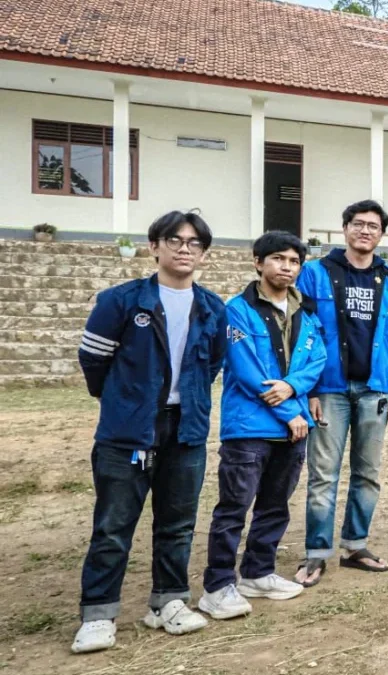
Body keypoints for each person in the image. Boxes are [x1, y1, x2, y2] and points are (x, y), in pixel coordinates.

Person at [72, 211, 227, 654]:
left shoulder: (212, 307)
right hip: (130, 431)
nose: (184, 249)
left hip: (186, 428)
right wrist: (126, 400)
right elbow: (94, 360)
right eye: (174, 240)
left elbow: (212, 364)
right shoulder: (120, 301)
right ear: (154, 246)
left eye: (194, 243)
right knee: (114, 524)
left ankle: (169, 601)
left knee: (178, 523)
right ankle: (99, 613)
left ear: (203, 253)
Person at [199, 232, 326, 619]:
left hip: (293, 429)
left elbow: (316, 359)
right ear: (258, 262)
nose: (286, 267)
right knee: (233, 508)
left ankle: (259, 572)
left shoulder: (306, 311)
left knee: (274, 506)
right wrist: (291, 411)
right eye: (277, 259)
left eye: (293, 261)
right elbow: (246, 367)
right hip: (251, 428)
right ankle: (218, 585)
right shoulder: (236, 309)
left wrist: (293, 386)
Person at [293, 200, 388, 587]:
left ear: (381, 234)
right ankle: (316, 553)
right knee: (323, 474)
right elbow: (302, 331)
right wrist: (306, 388)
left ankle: (355, 545)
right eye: (358, 224)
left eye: (373, 226)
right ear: (344, 228)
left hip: (374, 389)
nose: (365, 231)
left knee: (368, 473)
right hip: (329, 389)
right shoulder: (315, 273)